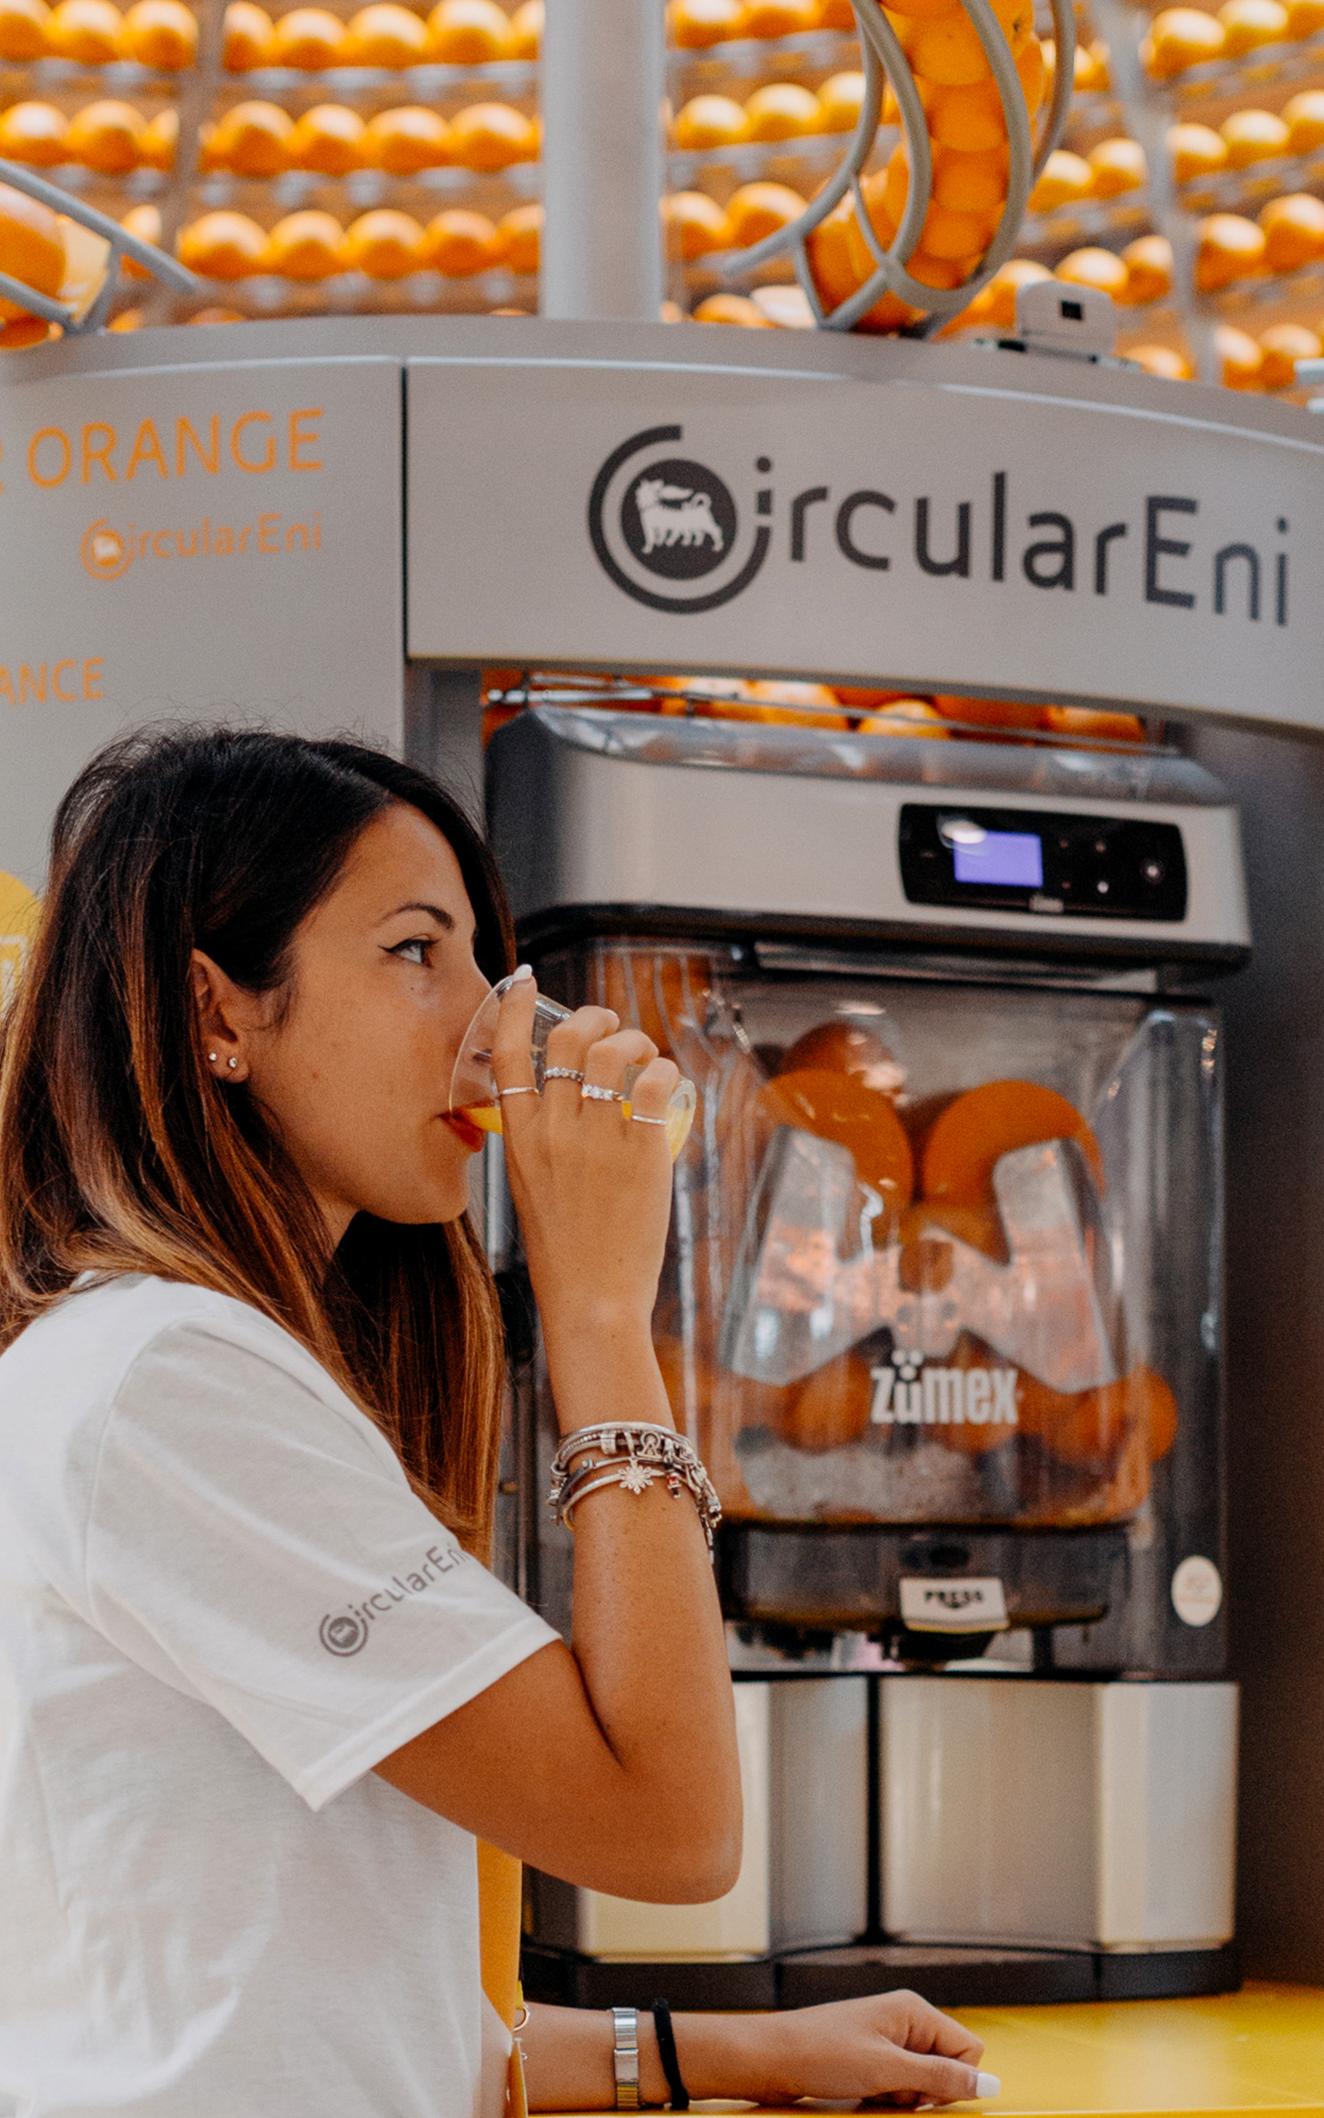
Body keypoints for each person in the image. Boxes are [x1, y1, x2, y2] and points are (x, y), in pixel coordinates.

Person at [0, 724, 990, 2116]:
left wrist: (737, 2050)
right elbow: (675, 1825)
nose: (492, 1023)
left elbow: (307, 2001)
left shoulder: (174, 1360)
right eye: (417, 951)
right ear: (219, 1013)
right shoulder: (167, 1377)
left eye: (484, 958)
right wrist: (598, 1319)